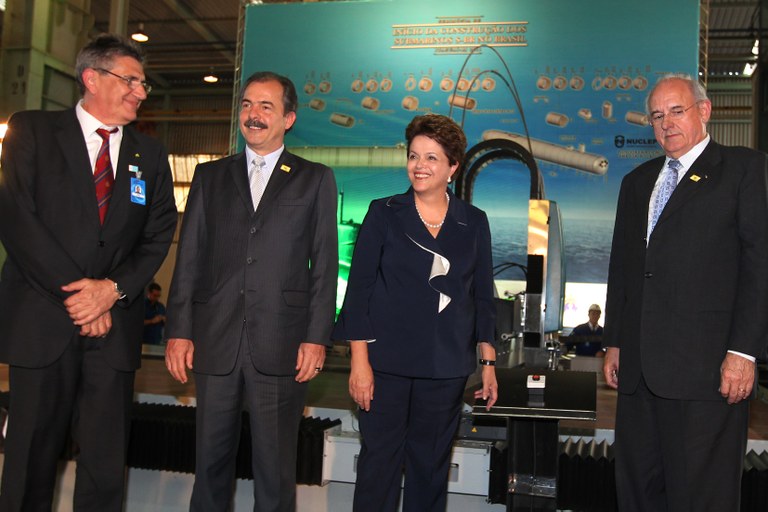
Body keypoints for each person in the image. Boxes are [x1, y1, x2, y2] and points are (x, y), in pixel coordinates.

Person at [0, 34, 177, 511]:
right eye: (131, 80)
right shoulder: (32, 132)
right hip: (42, 325)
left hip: (113, 330)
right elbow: (18, 221)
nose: (141, 92)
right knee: (29, 460)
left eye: (143, 84)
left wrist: (111, 291)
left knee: (103, 467)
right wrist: (81, 298)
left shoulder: (151, 156)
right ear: (91, 78)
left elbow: (159, 234)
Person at [164, 71, 338, 512]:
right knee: (210, 466)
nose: (253, 115)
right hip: (215, 340)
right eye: (246, 105)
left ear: (289, 118)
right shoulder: (209, 176)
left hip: (281, 343)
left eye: (265, 107)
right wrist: (179, 330)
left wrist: (316, 337)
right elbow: (189, 259)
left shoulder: (314, 179)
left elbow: (324, 267)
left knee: (276, 472)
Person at [602, 73, 768, 511]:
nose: (666, 123)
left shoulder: (745, 169)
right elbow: (623, 268)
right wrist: (615, 342)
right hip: (638, 375)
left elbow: (760, 265)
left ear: (704, 111)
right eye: (657, 116)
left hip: (707, 373)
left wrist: (744, 351)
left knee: (701, 498)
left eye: (677, 111)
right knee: (638, 494)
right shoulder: (636, 182)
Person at [333, 113, 498, 512]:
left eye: (432, 158)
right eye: (413, 156)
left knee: (430, 470)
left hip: (445, 369)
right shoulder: (384, 212)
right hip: (384, 365)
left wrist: (488, 363)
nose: (419, 166)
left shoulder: (473, 222)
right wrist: (359, 362)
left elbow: (482, 297)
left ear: (453, 168)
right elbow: (359, 292)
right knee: (379, 467)